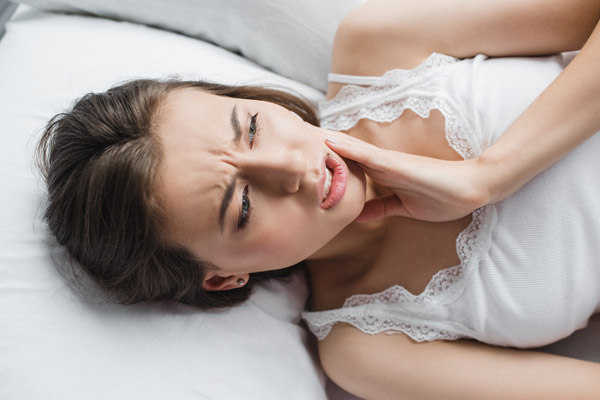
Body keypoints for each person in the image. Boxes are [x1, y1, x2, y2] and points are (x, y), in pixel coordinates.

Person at [37, 0, 600, 398]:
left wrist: (489, 177)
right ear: (224, 278)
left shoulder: (381, 48)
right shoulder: (366, 350)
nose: (291, 169)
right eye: (243, 207)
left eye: (251, 128)